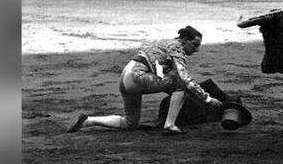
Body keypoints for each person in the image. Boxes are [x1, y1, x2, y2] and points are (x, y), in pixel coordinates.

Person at [66, 26, 222, 135]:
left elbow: (161, 70)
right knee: (182, 85)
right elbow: (183, 77)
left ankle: (88, 121)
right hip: (137, 77)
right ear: (184, 40)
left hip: (126, 76)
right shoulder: (177, 48)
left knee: (130, 123)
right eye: (194, 45)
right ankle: (170, 125)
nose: (196, 49)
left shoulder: (164, 42)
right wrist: (207, 99)